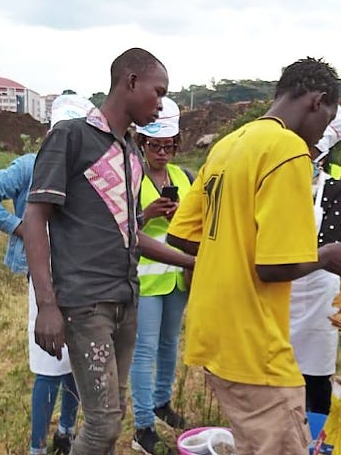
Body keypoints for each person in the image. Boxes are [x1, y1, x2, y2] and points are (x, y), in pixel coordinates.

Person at [166, 58, 341, 455]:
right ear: (318, 101)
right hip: (255, 345)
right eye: (325, 124)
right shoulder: (287, 150)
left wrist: (231, 250)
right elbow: (274, 266)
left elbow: (184, 237)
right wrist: (328, 255)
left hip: (214, 331)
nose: (319, 138)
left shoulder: (229, 145)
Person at [23, 48, 195, 455]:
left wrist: (193, 260)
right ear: (130, 82)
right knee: (101, 425)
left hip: (126, 300)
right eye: (159, 92)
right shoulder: (71, 137)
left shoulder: (131, 154)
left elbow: (131, 233)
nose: (161, 103)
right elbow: (34, 218)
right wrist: (47, 305)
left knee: (112, 417)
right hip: (86, 303)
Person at [0, 95, 96, 455]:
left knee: (74, 363)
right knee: (48, 364)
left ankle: (66, 432)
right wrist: (21, 227)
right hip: (44, 279)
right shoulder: (29, 165)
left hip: (81, 277)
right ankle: (37, 446)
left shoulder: (88, 171)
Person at [129, 96, 194, 454]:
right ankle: (142, 426)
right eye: (156, 145)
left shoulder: (184, 178)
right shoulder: (133, 179)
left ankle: (161, 402)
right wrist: (147, 213)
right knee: (144, 351)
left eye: (169, 146)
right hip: (146, 280)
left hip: (178, 277)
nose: (163, 152)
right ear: (143, 143)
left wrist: (179, 216)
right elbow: (122, 228)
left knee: (170, 345)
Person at [290, 105, 341, 415]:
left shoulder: (338, 191)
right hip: (278, 285)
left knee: (315, 376)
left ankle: (316, 437)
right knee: (279, 374)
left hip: (318, 291)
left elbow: (329, 245)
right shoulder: (279, 187)